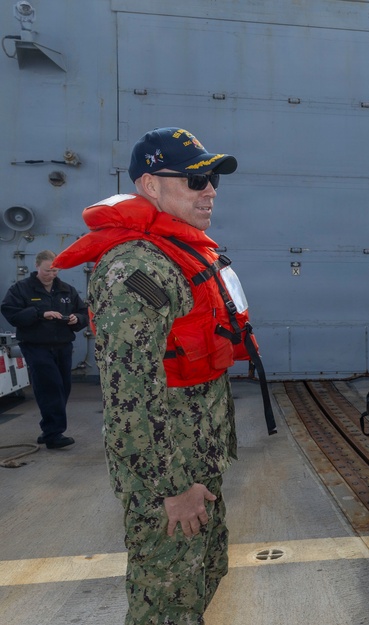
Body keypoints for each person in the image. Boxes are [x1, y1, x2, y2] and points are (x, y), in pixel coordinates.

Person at [53, 127, 252, 624]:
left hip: (197, 461)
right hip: (168, 478)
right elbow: (130, 399)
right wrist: (171, 488)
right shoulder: (134, 270)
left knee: (203, 579)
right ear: (149, 185)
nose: (208, 189)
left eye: (212, 180)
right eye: (193, 178)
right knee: (167, 606)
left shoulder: (178, 254)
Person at [1, 250, 88, 449]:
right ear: (37, 267)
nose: (52, 274)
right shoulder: (21, 289)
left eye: (55, 270)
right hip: (36, 346)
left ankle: (48, 428)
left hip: (62, 346)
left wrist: (77, 319)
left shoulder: (67, 290)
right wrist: (40, 314)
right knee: (50, 386)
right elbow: (11, 313)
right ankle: (54, 435)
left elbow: (83, 312)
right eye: (48, 270)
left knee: (63, 388)